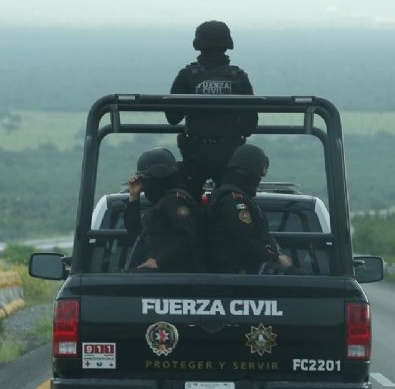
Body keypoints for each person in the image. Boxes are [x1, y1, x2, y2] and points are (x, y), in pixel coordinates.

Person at [166, 20, 258, 197]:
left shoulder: (187, 76)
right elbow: (249, 126)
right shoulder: (238, 78)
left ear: (198, 44)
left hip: (194, 154)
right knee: (230, 200)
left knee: (186, 200)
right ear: (228, 44)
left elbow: (172, 118)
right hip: (228, 154)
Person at [207, 144, 292, 274]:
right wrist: (274, 258)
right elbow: (245, 240)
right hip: (237, 275)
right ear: (252, 170)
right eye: (260, 171)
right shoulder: (233, 200)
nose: (260, 177)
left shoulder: (235, 196)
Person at [123, 148, 205, 272]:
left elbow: (187, 236)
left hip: (173, 278)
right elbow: (135, 232)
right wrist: (133, 198)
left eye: (146, 179)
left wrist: (159, 262)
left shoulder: (174, 201)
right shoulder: (160, 204)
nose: (144, 184)